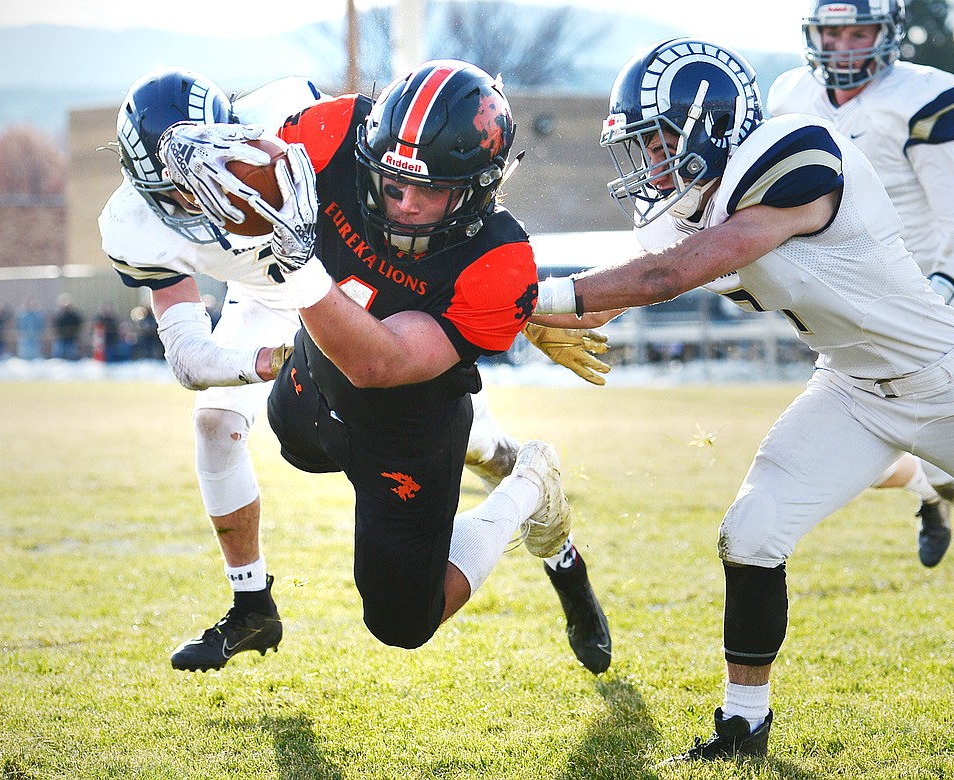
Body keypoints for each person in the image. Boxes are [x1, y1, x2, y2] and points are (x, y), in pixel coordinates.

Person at [534, 37, 954, 762]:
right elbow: (607, 300)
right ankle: (742, 728)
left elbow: (669, 276)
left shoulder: (797, 152)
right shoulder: (683, 209)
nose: (650, 164)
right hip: (849, 387)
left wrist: (547, 294)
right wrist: (518, 314)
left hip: (944, 381)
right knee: (750, 531)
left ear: (712, 125)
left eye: (660, 142)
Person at [108, 65, 611, 673]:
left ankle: (529, 487)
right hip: (291, 294)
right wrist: (266, 359)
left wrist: (523, 308)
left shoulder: (293, 122)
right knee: (263, 429)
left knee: (411, 601)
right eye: (175, 191)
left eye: (211, 173)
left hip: (358, 319)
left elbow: (408, 254)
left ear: (239, 136)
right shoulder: (137, 225)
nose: (199, 199)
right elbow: (189, 357)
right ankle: (251, 604)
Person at [766, 0, 954, 637]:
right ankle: (938, 500)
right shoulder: (790, 95)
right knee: (871, 463)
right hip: (849, 305)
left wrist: (939, 296)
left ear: (887, 34)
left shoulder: (918, 96)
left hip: (928, 299)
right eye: (833, 32)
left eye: (859, 31)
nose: (845, 47)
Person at [51, 294, 84, 360]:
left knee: (73, 354)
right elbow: (55, 327)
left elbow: (79, 325)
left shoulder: (74, 316)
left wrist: (75, 333)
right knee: (57, 354)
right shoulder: (59, 316)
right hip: (61, 338)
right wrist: (59, 334)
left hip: (71, 338)